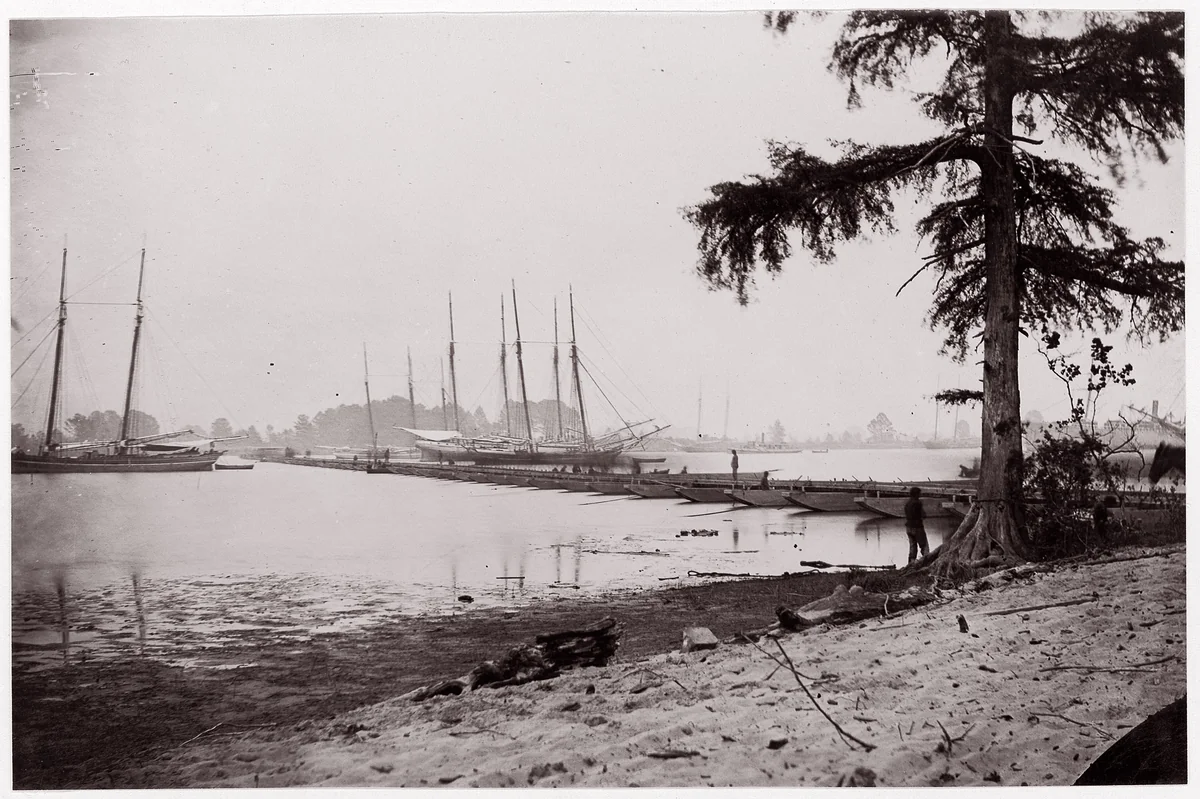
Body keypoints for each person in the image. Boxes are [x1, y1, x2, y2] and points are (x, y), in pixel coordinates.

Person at [904, 486, 929, 564]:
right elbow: (924, 515)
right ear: (916, 494)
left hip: (908, 527)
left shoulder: (907, 504)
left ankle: (911, 563)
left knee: (912, 546)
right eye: (919, 494)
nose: (920, 495)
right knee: (924, 546)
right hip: (918, 527)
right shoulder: (918, 503)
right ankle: (926, 563)